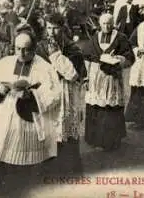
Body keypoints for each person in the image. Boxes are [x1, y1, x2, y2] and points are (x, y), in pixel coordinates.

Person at [0, 26, 62, 198]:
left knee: (26, 174)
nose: (21, 54)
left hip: (29, 125)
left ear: (34, 49)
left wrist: (31, 95)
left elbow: (54, 96)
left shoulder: (44, 68)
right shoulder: (4, 63)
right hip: (5, 124)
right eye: (18, 49)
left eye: (26, 50)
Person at [35, 13, 87, 175]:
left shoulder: (72, 48)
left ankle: (69, 166)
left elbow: (73, 74)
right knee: (49, 127)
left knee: (66, 126)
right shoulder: (40, 46)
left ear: (63, 29)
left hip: (66, 92)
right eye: (48, 28)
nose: (51, 32)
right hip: (47, 91)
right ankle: (49, 166)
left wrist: (56, 56)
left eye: (55, 28)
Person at [83, 13, 134, 148]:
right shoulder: (95, 38)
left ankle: (111, 139)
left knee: (110, 106)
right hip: (96, 78)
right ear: (100, 24)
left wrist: (118, 59)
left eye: (109, 23)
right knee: (96, 105)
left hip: (112, 78)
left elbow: (129, 57)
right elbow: (87, 58)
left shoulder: (121, 38)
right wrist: (86, 77)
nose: (107, 26)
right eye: (104, 23)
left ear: (113, 24)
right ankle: (95, 138)